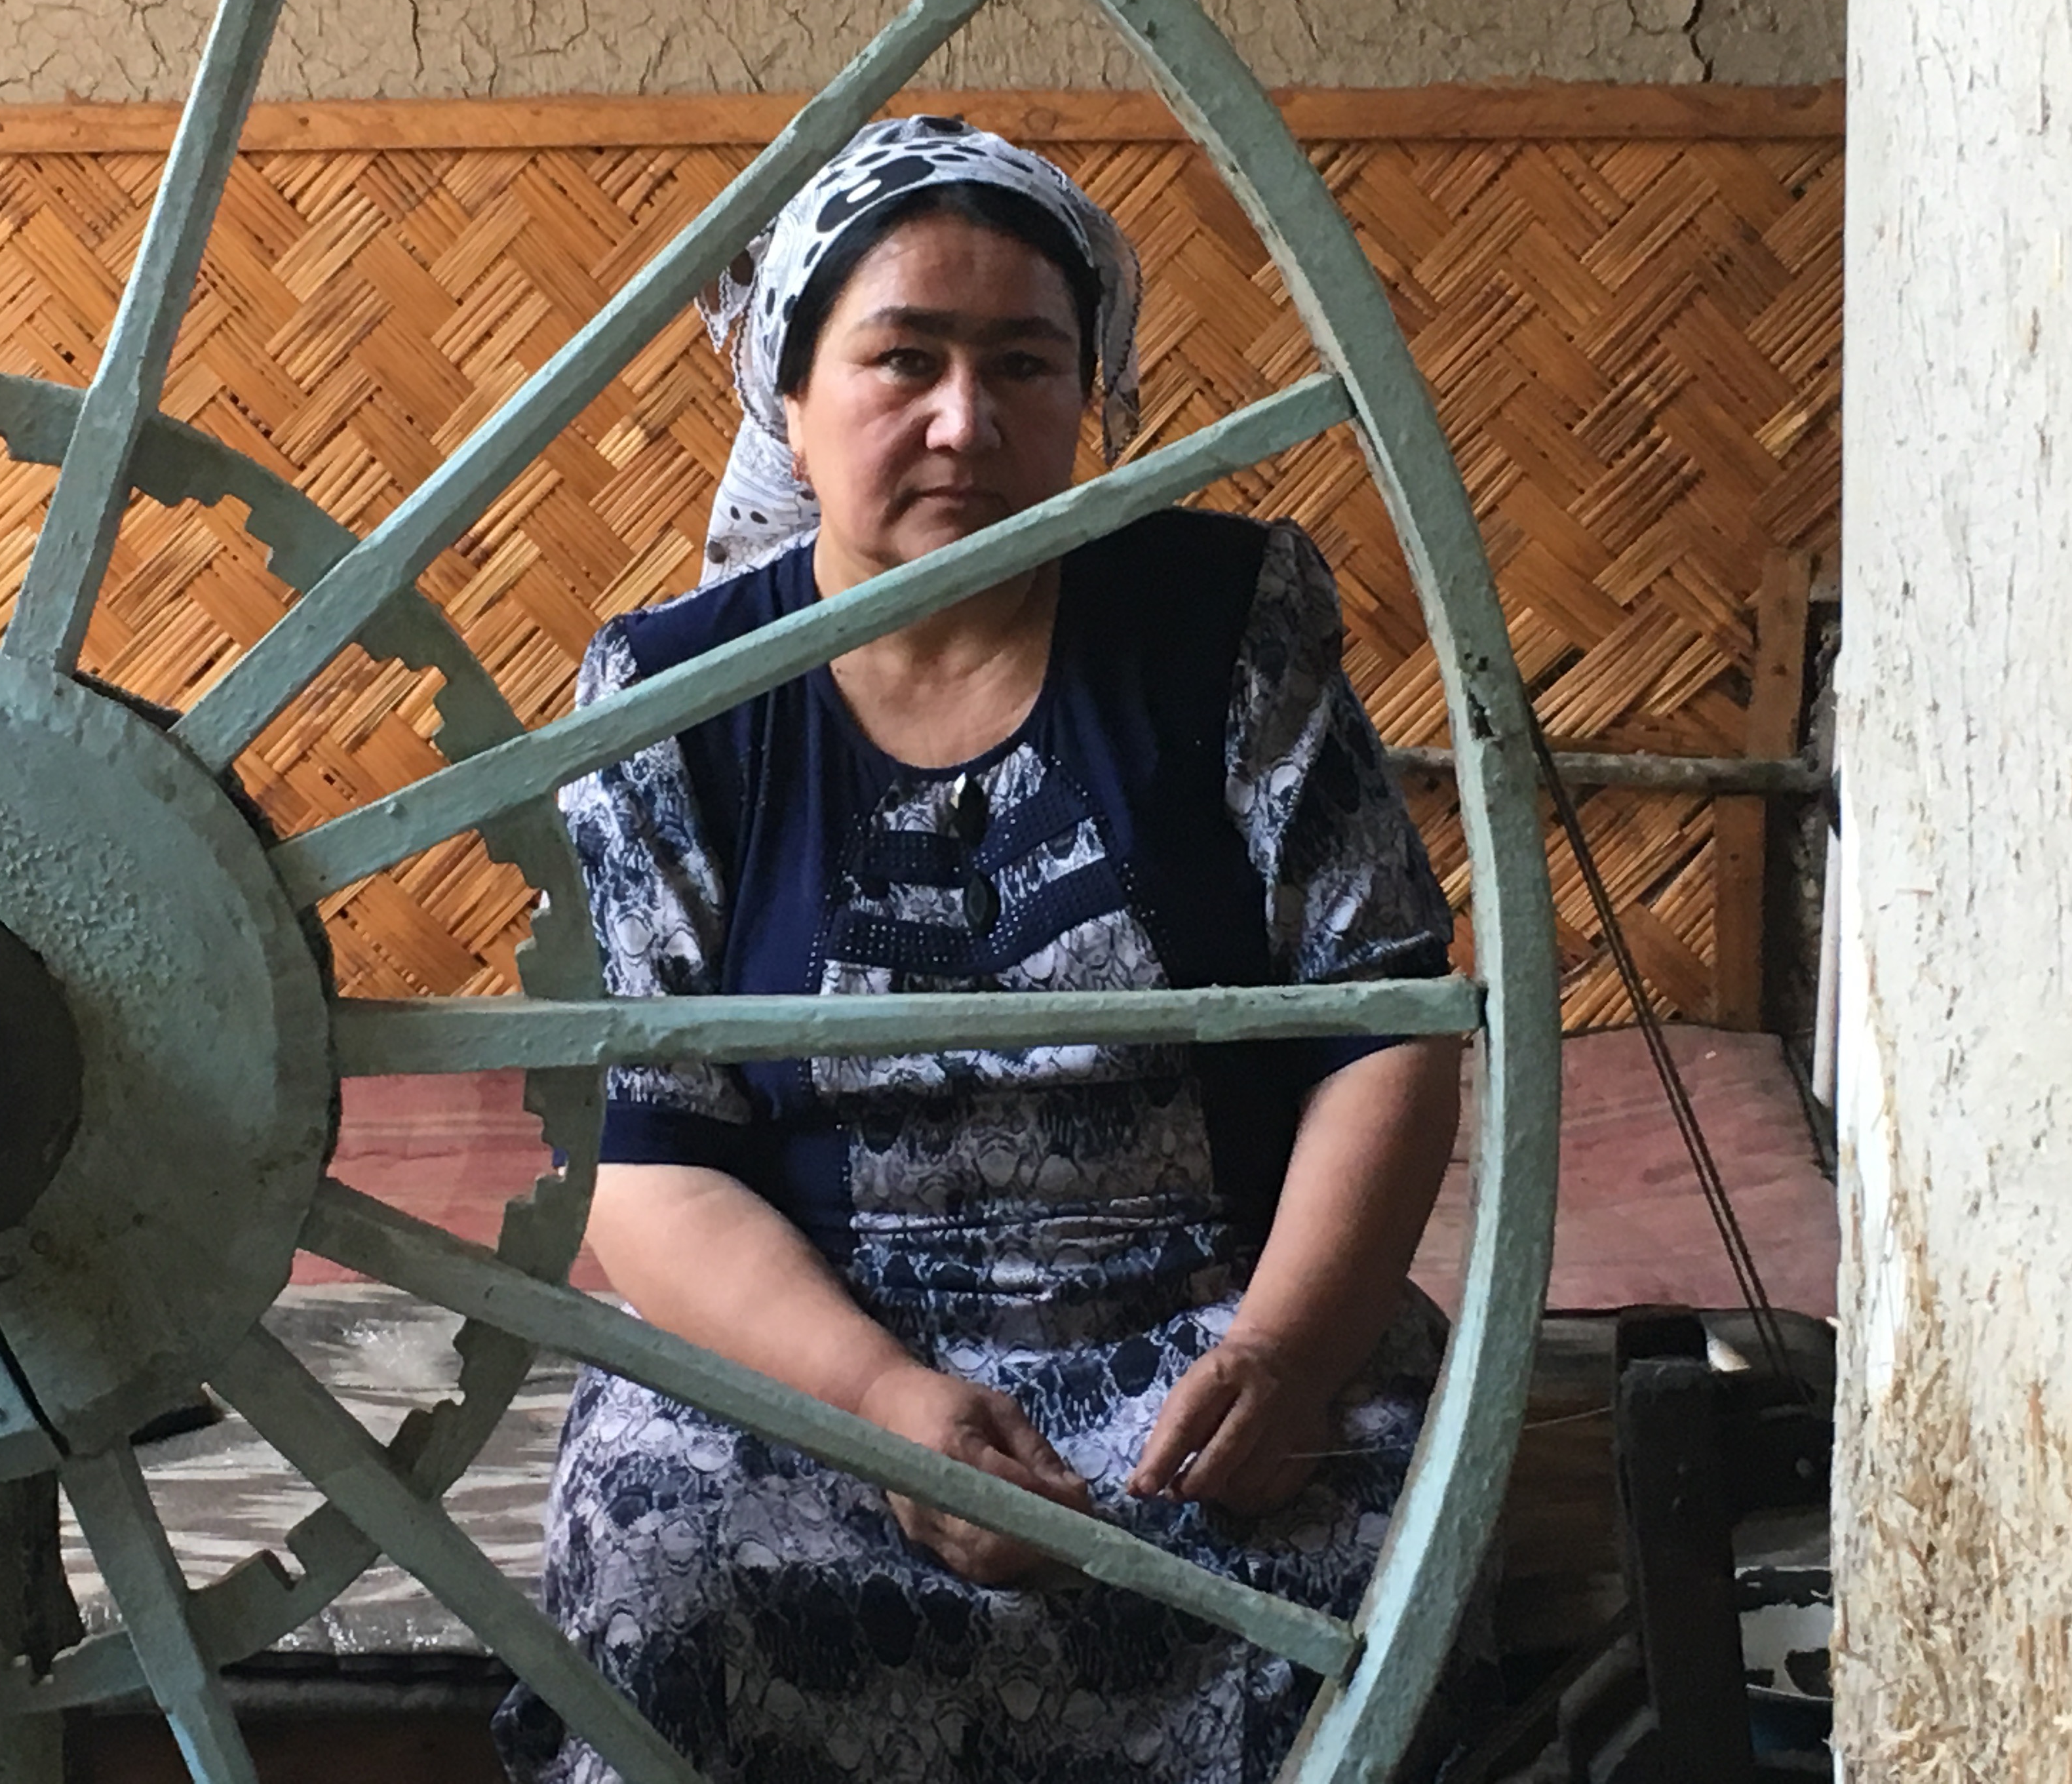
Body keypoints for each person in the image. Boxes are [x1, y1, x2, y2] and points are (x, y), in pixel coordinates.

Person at [497, 117, 1472, 1784]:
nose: (967, 422)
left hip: (1206, 1336)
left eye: (1024, 363)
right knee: (671, 1584)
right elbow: (644, 1159)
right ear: (790, 395)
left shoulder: (1222, 620)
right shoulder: (675, 698)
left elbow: (1381, 1018)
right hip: (816, 1363)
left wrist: (1289, 1354)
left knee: (1371, 1566)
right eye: (905, 360)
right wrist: (883, 1405)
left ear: (1086, 389)